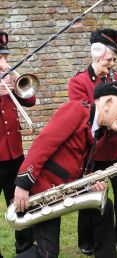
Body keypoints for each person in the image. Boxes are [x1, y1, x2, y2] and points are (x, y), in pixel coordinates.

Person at [13, 81, 117, 258]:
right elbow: (43, 144)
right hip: (44, 191)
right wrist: (23, 185)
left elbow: (82, 163)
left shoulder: (101, 129)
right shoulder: (77, 110)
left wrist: (91, 179)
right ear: (107, 103)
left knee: (104, 208)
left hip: (67, 189)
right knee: (47, 254)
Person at [68, 28, 117, 258]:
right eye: (110, 59)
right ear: (97, 53)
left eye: (115, 59)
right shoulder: (78, 82)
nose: (113, 63)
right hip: (93, 151)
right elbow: (82, 117)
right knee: (89, 196)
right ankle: (87, 239)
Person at [0, 31, 35, 257]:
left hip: (15, 154)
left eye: (4, 57)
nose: (4, 63)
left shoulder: (8, 77)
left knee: (20, 203)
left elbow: (30, 99)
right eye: (0, 58)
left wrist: (15, 87)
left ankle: (24, 250)